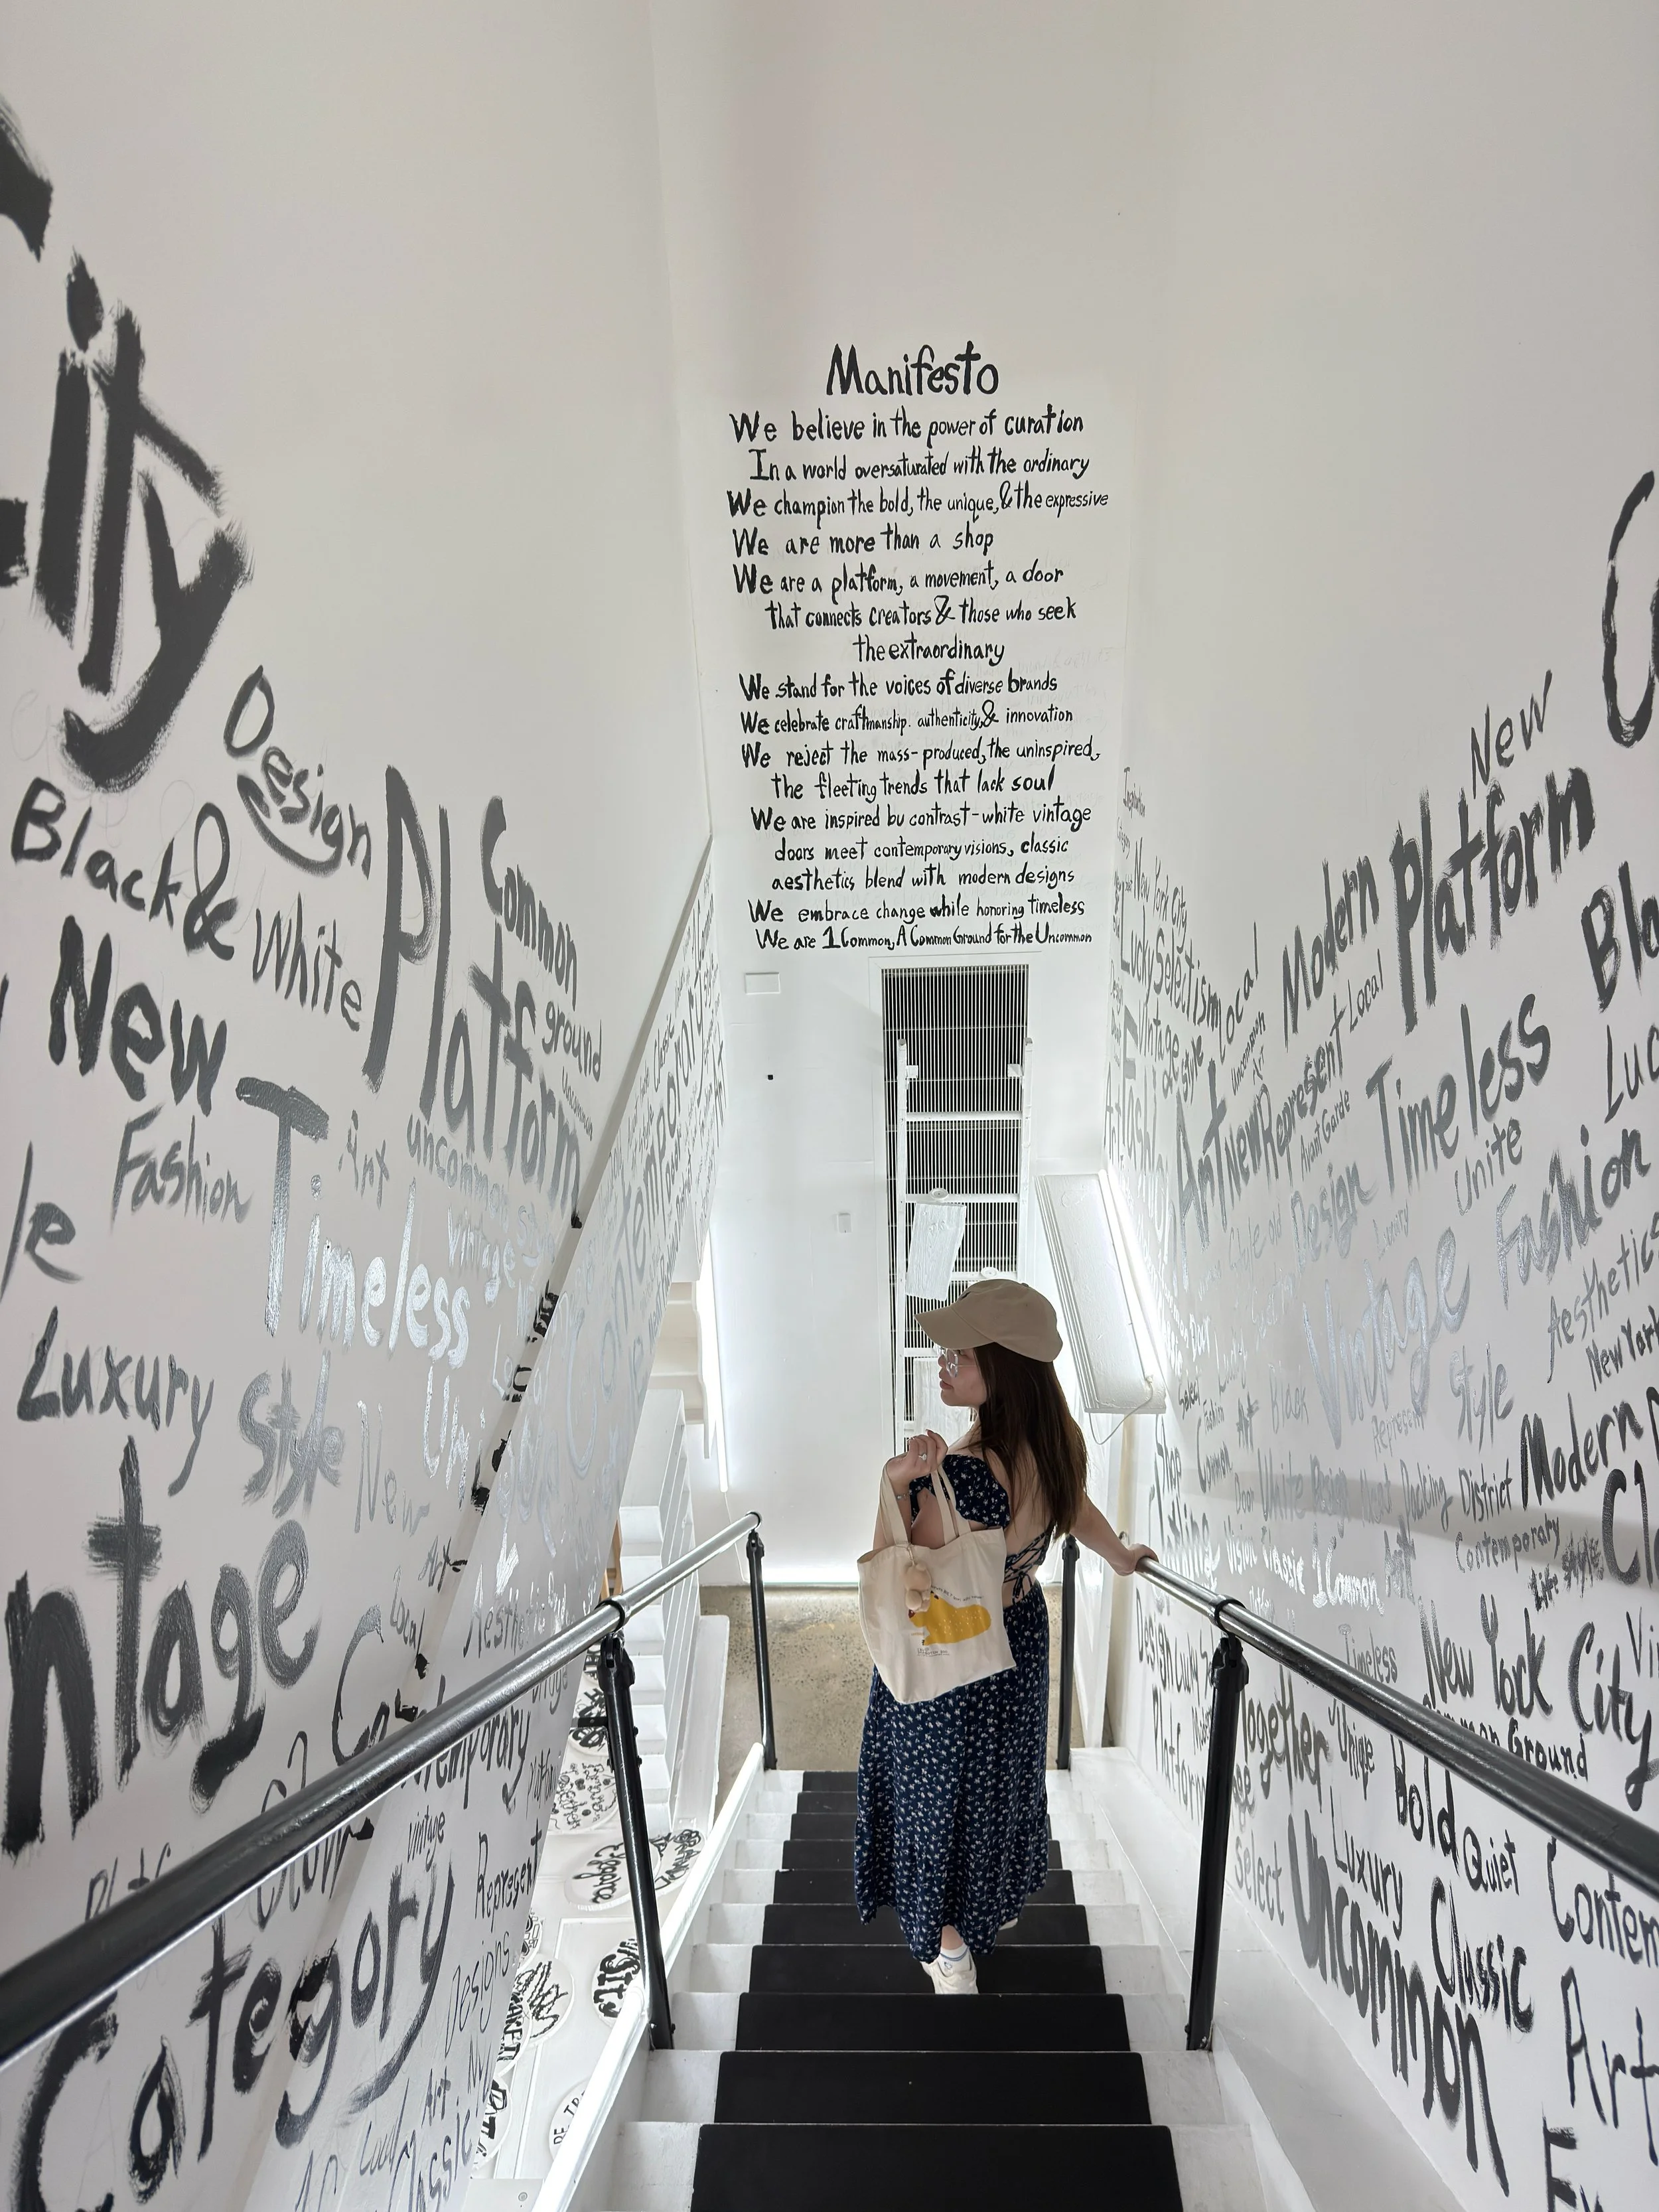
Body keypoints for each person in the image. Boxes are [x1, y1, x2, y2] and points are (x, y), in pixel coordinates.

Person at [853, 1277, 1157, 1994]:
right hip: (1020, 1631)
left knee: (934, 1790)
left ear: (1005, 1370)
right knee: (995, 1782)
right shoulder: (1058, 1441)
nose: (944, 1363)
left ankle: (950, 1949)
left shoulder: (964, 1473)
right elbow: (1073, 1507)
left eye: (960, 1355)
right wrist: (1118, 1556)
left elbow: (905, 1582)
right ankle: (989, 1904)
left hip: (954, 1649)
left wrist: (895, 1486)